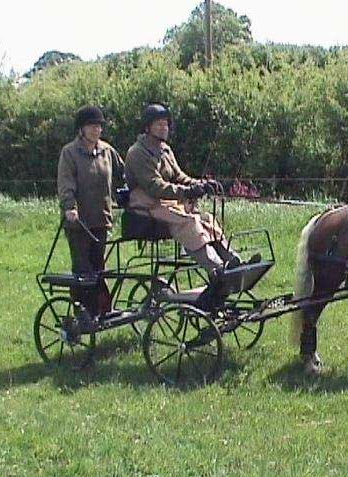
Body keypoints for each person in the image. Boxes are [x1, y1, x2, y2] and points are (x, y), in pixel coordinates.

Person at [124, 103, 257, 274]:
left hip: (167, 204)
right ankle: (216, 268)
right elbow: (154, 186)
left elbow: (179, 176)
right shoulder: (137, 153)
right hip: (146, 206)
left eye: (166, 124)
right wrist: (185, 192)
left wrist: (199, 185)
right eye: (159, 124)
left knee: (206, 218)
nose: (164, 128)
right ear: (148, 127)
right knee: (188, 222)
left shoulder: (165, 150)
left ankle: (233, 260)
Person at [57, 105, 125, 317]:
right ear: (81, 129)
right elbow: (66, 183)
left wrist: (130, 193)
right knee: (83, 268)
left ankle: (102, 310)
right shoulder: (70, 153)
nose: (96, 130)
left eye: (98, 126)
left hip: (101, 219)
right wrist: (70, 207)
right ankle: (83, 312)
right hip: (79, 223)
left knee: (99, 267)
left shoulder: (107, 151)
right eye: (91, 126)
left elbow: (123, 174)